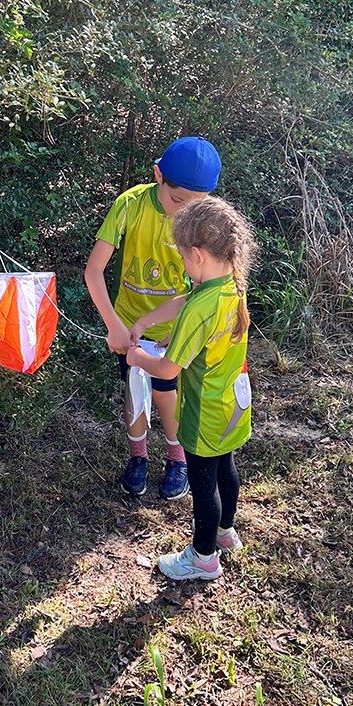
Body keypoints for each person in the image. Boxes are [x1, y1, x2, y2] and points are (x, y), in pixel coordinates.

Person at [126, 196, 257, 580]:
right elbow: (188, 306)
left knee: (203, 487)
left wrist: (137, 358)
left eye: (183, 257)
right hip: (234, 403)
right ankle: (226, 534)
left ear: (197, 255)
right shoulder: (231, 283)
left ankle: (203, 558)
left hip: (204, 412)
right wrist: (149, 322)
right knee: (226, 469)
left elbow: (167, 367)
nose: (183, 264)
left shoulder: (204, 304)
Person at [85, 137, 222, 499]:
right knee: (135, 391)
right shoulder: (130, 205)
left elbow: (206, 285)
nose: (183, 213)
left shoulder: (205, 221)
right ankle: (138, 457)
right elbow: (94, 271)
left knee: (167, 395)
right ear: (158, 175)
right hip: (130, 324)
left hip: (176, 330)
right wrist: (114, 324)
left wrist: (184, 324)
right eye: (178, 201)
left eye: (195, 205)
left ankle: (177, 459)